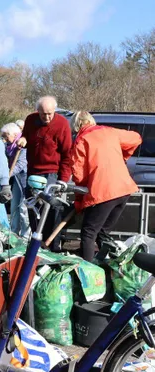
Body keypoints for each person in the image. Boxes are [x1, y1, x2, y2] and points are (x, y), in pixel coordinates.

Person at [69, 111, 141, 262]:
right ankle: (113, 267)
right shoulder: (110, 131)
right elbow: (136, 138)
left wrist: (79, 202)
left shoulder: (82, 140)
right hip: (124, 189)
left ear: (77, 125)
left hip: (103, 191)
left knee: (89, 233)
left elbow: (79, 175)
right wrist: (122, 155)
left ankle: (87, 272)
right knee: (102, 232)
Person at [22, 96, 72, 251]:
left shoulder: (62, 123)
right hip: (33, 172)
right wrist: (23, 139)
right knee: (32, 207)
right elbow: (25, 136)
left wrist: (63, 179)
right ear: (38, 111)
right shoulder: (30, 120)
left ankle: (53, 246)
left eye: (50, 113)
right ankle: (36, 245)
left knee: (51, 210)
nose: (47, 117)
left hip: (52, 173)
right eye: (44, 114)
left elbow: (67, 154)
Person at [1, 122, 29, 237]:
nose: (4, 139)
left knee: (24, 208)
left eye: (6, 136)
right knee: (14, 206)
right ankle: (13, 234)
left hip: (26, 180)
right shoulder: (10, 147)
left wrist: (6, 175)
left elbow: (21, 164)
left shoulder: (22, 145)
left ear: (13, 134)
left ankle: (26, 236)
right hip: (17, 180)